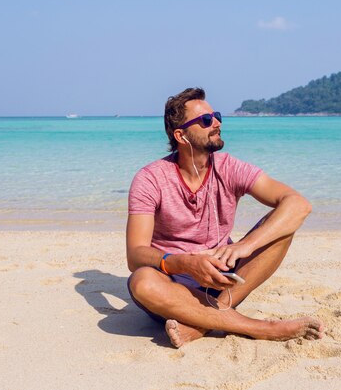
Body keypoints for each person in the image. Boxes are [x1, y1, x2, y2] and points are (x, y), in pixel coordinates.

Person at [126, 87, 324, 348]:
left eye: (216, 116)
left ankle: (203, 322)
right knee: (142, 281)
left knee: (281, 227)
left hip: (226, 279)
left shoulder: (229, 167)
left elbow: (298, 204)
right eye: (206, 120)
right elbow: (135, 254)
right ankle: (261, 328)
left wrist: (245, 246)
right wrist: (185, 264)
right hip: (176, 284)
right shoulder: (150, 178)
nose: (217, 122)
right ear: (181, 135)